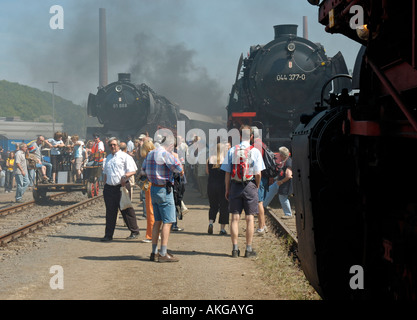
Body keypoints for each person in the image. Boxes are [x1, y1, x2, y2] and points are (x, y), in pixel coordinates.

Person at [221, 125, 265, 258]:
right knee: (250, 218)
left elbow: (227, 173)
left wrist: (227, 189)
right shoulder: (255, 151)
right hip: (250, 185)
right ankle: (248, 249)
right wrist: (256, 186)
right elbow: (258, 173)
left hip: (235, 186)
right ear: (251, 136)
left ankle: (235, 249)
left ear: (239, 135)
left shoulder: (232, 150)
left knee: (234, 218)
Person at [141, 134, 183, 263]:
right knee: (168, 221)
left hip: (153, 188)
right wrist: (176, 158)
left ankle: (154, 252)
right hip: (164, 189)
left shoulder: (150, 154)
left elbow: (143, 170)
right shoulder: (166, 154)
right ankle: (163, 253)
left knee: (157, 221)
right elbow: (179, 169)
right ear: (170, 145)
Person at [101, 137, 140, 241]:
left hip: (121, 187)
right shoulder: (108, 158)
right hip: (109, 188)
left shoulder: (125, 157)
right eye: (110, 145)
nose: (112, 146)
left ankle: (134, 231)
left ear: (118, 145)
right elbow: (105, 173)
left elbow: (133, 170)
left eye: (114, 145)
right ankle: (108, 235)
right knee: (110, 212)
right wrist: (105, 186)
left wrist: (124, 176)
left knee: (126, 209)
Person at [263, 147, 293, 219]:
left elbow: (289, 176)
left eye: (280, 154)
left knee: (282, 197)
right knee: (270, 190)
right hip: (279, 182)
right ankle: (262, 207)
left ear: (282, 155)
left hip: (285, 183)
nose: (279, 155)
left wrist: (281, 181)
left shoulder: (288, 161)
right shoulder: (284, 161)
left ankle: (288, 214)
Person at [206, 142, 229, 235]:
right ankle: (222, 229)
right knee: (224, 207)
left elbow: (207, 172)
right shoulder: (226, 160)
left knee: (213, 206)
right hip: (222, 186)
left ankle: (211, 223)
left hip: (211, 185)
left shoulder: (209, 159)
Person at [250, 126, 269, 234]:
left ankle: (261, 227)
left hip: (259, 177)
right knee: (260, 201)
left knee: (258, 202)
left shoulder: (255, 146)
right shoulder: (262, 144)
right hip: (264, 176)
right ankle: (264, 225)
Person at [139, 140, 156, 243]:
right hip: (157, 185)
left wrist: (141, 172)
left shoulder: (148, 157)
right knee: (156, 210)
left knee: (150, 210)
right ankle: (156, 233)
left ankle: (150, 235)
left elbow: (143, 171)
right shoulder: (156, 156)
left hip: (148, 184)